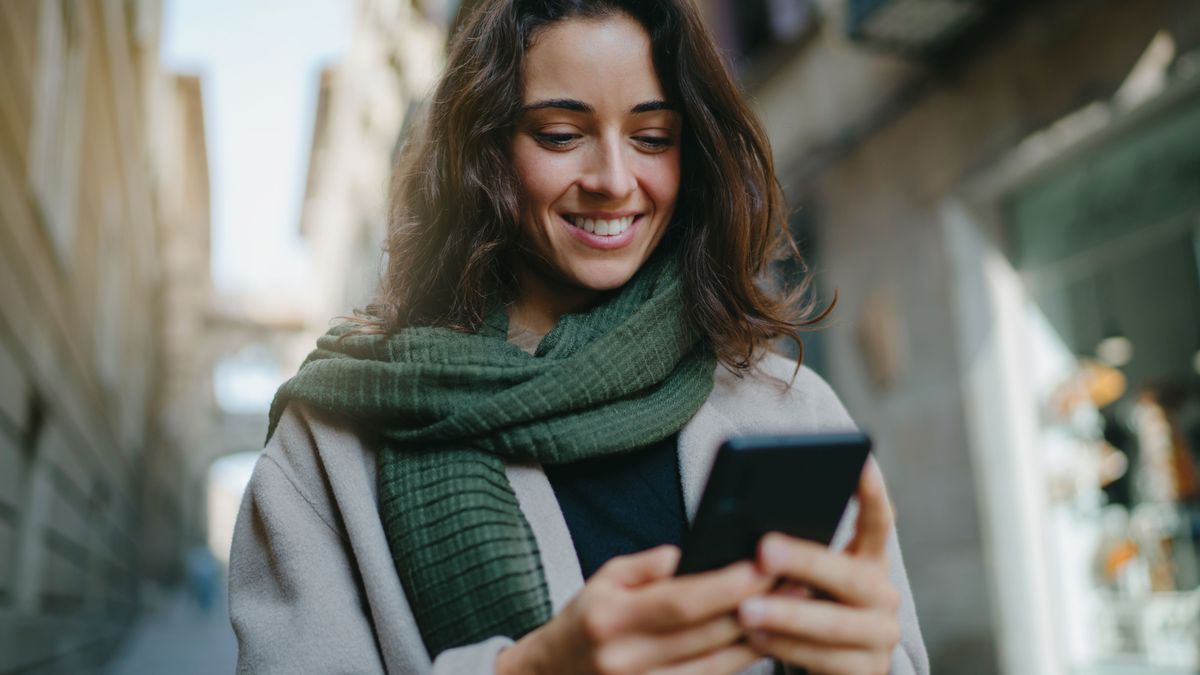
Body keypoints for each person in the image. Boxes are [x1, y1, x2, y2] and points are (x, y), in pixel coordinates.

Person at [228, 1, 928, 673]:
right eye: (561, 135)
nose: (615, 181)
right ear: (483, 149)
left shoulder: (790, 410)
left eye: (653, 138)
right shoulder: (331, 446)